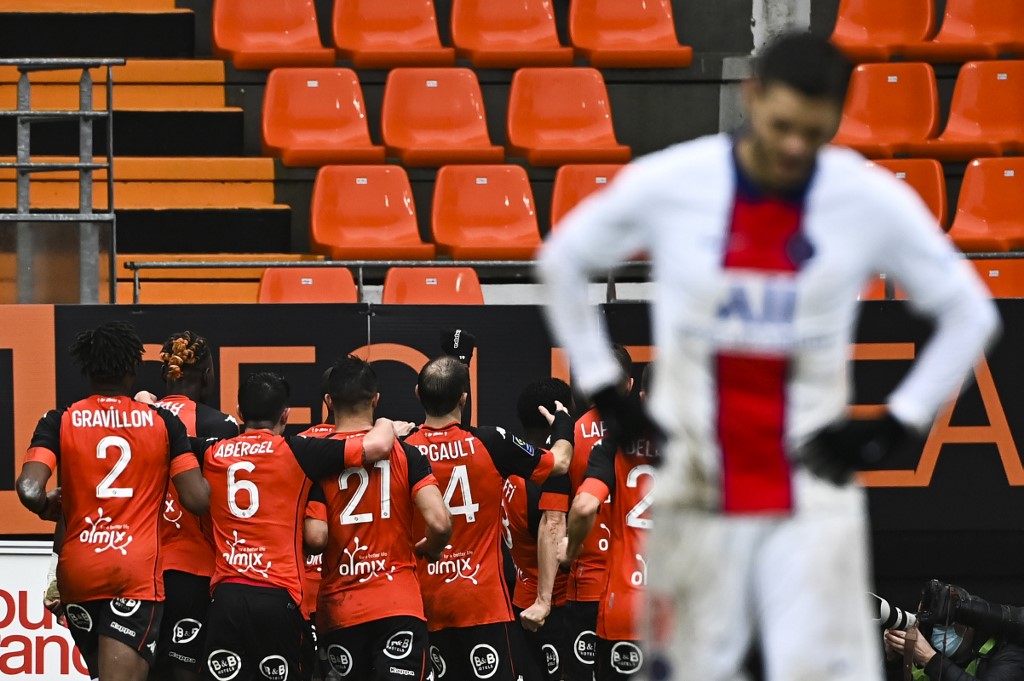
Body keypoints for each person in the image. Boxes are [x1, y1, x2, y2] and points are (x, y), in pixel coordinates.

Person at [536, 32, 1000, 681]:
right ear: (752, 97)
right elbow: (563, 259)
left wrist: (899, 419)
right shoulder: (679, 180)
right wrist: (607, 391)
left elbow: (970, 310)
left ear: (835, 120)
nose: (792, 147)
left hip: (806, 486)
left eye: (811, 132)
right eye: (781, 125)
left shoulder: (862, 199)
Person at [16, 321, 211, 681]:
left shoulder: (59, 420)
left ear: (86, 368)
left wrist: (46, 505)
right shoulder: (162, 422)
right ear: (134, 368)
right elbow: (196, 499)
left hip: (78, 572)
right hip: (133, 572)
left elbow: (28, 488)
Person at [194, 372, 399, 681]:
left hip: (226, 597)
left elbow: (170, 438)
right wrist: (389, 423)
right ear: (286, 415)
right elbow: (379, 446)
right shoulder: (300, 451)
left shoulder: (210, 451)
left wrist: (146, 400)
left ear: (239, 413)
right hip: (278, 598)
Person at [404, 354, 575, 681]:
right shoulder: (490, 442)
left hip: (427, 604)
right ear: (464, 399)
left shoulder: (402, 449)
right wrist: (564, 421)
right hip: (483, 603)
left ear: (416, 394)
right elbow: (561, 462)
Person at [305, 355, 452, 681]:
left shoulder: (316, 459)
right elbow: (440, 523)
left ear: (329, 401)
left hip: (341, 609)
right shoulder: (406, 453)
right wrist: (433, 546)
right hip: (397, 604)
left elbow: (315, 539)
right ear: (375, 399)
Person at [151, 331, 240, 681]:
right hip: (196, 567)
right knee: (186, 669)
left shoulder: (142, 417)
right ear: (207, 375)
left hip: (144, 566)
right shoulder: (221, 425)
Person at [559, 366, 657, 681]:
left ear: (641, 396)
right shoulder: (706, 445)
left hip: (626, 604)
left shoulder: (613, 444)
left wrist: (571, 549)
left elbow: (585, 506)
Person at [564, 345, 634, 680]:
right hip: (655, 586)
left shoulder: (573, 434)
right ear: (632, 387)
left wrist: (571, 548)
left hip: (595, 585)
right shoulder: (664, 440)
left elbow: (568, 511)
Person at [501, 377, 574, 681]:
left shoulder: (507, 471)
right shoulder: (543, 480)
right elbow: (554, 529)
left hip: (520, 601)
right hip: (553, 608)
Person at [884, 582, 1024, 681]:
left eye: (945, 625)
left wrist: (929, 659)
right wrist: (894, 663)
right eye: (933, 626)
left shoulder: (1007, 653)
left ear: (971, 625)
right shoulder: (921, 652)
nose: (937, 632)